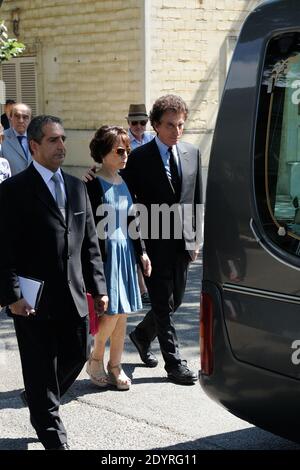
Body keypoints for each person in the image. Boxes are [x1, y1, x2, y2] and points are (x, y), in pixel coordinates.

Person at [0, 115, 108, 450]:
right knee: (39, 366)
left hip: (73, 296)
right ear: (34, 146)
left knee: (78, 353)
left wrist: (99, 288)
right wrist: (11, 296)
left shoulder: (77, 187)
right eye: (53, 140)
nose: (61, 146)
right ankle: (50, 428)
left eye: (63, 139)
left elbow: (90, 242)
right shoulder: (13, 191)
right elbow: (2, 248)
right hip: (32, 300)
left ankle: (40, 396)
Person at [122, 94, 203, 385]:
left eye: (181, 124)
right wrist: (138, 247)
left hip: (182, 241)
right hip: (153, 240)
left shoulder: (192, 153)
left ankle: (142, 335)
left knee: (175, 300)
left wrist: (194, 241)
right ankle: (174, 364)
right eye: (170, 125)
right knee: (161, 303)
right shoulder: (139, 158)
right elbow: (126, 199)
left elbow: (195, 200)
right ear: (156, 125)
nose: (176, 130)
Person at [85, 125, 151, 391]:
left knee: (122, 314)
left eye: (128, 150)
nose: (125, 156)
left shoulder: (126, 180)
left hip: (125, 252)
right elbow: (88, 228)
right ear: (103, 152)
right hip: (106, 255)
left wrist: (142, 251)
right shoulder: (90, 184)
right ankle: (95, 359)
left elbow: (133, 220)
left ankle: (115, 366)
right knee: (110, 313)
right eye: (119, 150)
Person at [126, 104, 154, 306]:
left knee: (147, 242)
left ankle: (147, 284)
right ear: (128, 123)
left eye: (142, 122)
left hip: (147, 197)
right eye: (134, 122)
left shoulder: (152, 140)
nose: (138, 126)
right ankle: (142, 288)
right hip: (127, 196)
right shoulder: (123, 141)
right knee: (136, 241)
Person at [0, 102, 32, 175]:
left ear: (30, 119)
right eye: (17, 116)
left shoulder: (37, 138)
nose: (21, 120)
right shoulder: (2, 138)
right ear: (10, 118)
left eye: (25, 117)